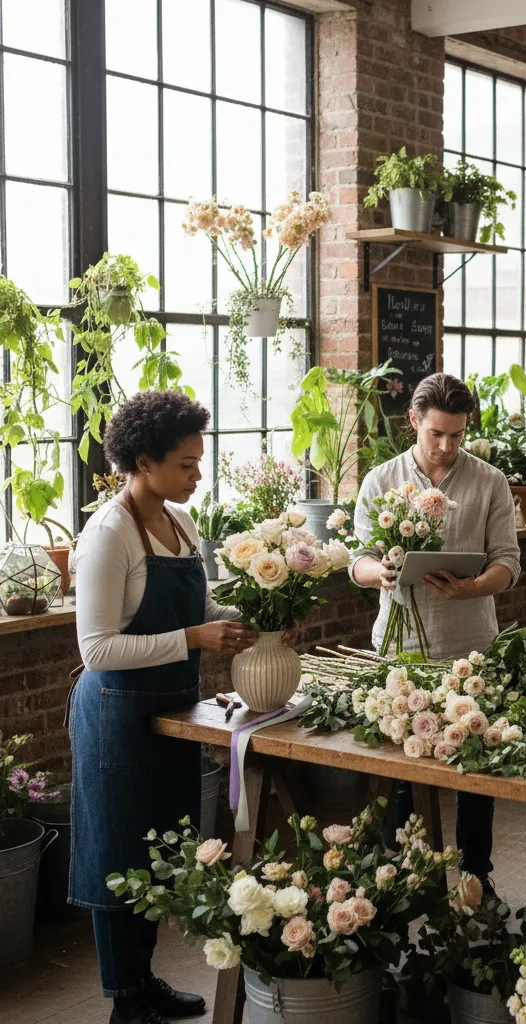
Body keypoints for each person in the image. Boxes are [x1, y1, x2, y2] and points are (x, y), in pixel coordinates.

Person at [69, 391, 260, 1024]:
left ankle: (145, 980)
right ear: (144, 461)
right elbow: (96, 649)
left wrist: (244, 616)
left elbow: (197, 614)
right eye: (185, 464)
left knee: (162, 854)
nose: (197, 475)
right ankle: (125, 1000)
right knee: (117, 854)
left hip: (173, 712)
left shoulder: (181, 524)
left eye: (199, 461)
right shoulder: (107, 534)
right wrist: (193, 640)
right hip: (116, 715)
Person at [351, 372, 520, 883]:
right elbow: (356, 559)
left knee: (477, 766)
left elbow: (508, 564)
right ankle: (403, 878)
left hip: (471, 649)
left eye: (457, 435)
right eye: (436, 434)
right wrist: (378, 573)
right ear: (413, 422)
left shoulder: (489, 480)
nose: (447, 446)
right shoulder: (380, 480)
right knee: (400, 769)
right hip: (400, 647)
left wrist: (474, 587)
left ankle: (476, 875)